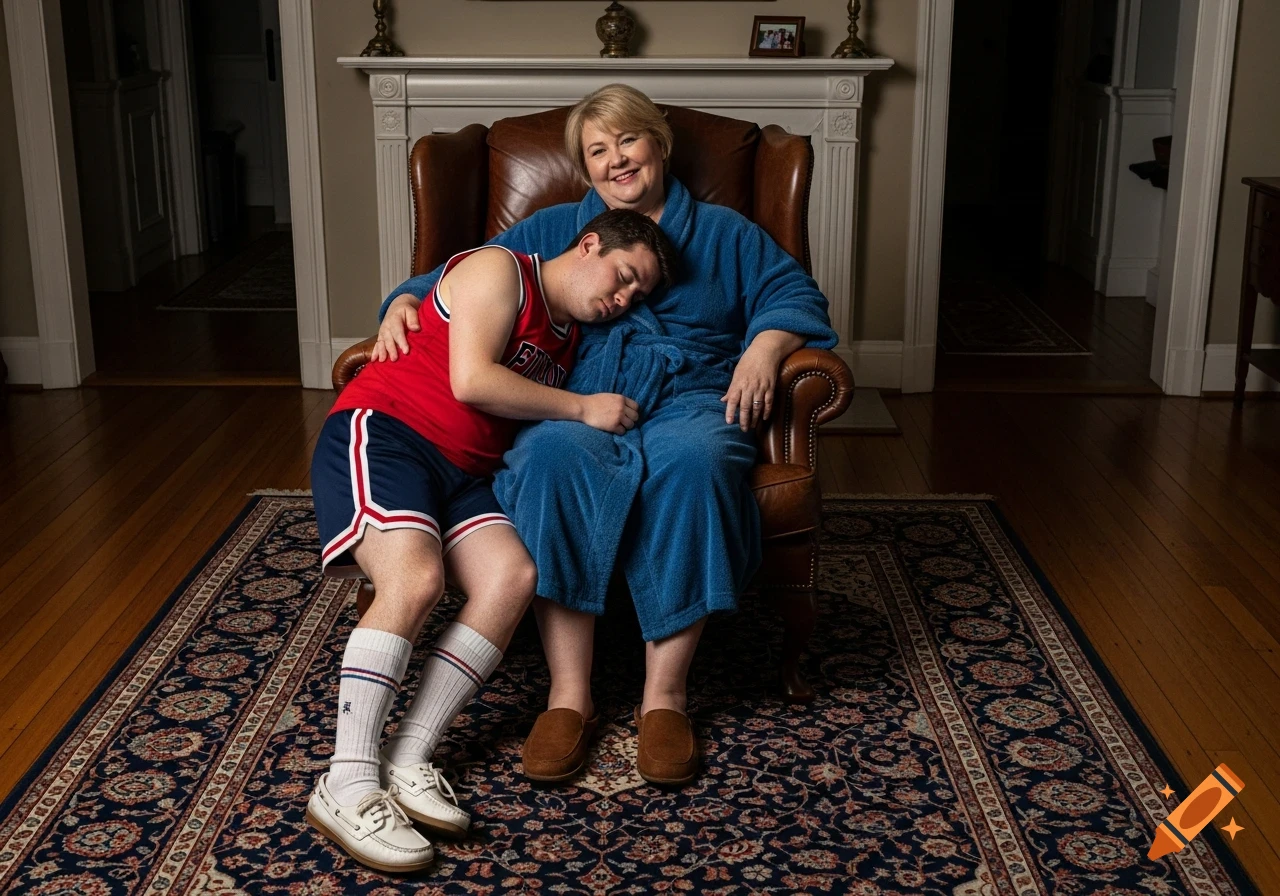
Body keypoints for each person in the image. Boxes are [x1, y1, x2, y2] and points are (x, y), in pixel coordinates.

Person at [376, 84, 835, 790]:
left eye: (627, 140)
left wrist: (763, 348)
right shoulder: (557, 228)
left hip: (691, 395)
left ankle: (665, 697)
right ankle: (569, 695)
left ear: (659, 143)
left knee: (697, 461)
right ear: (585, 170)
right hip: (581, 395)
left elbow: (796, 295)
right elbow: (454, 278)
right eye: (597, 151)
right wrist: (403, 301)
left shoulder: (726, 233)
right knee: (549, 456)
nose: (615, 160)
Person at [308, 208, 676, 873]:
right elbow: (471, 380)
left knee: (513, 578)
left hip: (462, 473)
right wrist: (584, 407)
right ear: (589, 244)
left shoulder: (569, 334)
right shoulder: (502, 269)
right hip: (388, 433)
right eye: (623, 276)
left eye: (637, 293)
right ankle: (347, 780)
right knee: (415, 581)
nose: (624, 298)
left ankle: (408, 756)